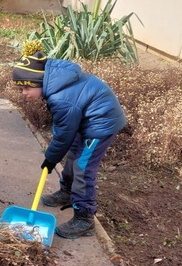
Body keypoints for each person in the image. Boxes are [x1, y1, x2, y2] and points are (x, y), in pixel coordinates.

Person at [11, 44, 126, 239]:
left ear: (39, 82)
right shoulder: (56, 84)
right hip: (86, 120)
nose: (23, 93)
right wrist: (55, 153)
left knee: (83, 166)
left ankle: (85, 218)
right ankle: (67, 191)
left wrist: (50, 158)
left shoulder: (60, 97)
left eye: (26, 87)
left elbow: (64, 134)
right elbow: (64, 128)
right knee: (73, 153)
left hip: (100, 125)